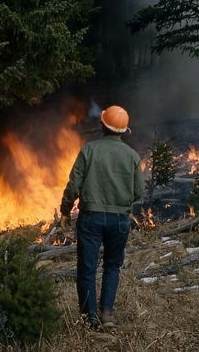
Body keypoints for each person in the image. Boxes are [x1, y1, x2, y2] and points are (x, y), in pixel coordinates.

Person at [59, 105, 144, 327]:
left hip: (91, 218)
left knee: (87, 268)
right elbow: (139, 192)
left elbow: (73, 186)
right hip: (119, 220)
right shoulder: (132, 156)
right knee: (112, 267)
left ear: (102, 125)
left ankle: (89, 318)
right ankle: (107, 314)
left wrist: (65, 210)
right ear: (124, 130)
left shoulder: (89, 150)